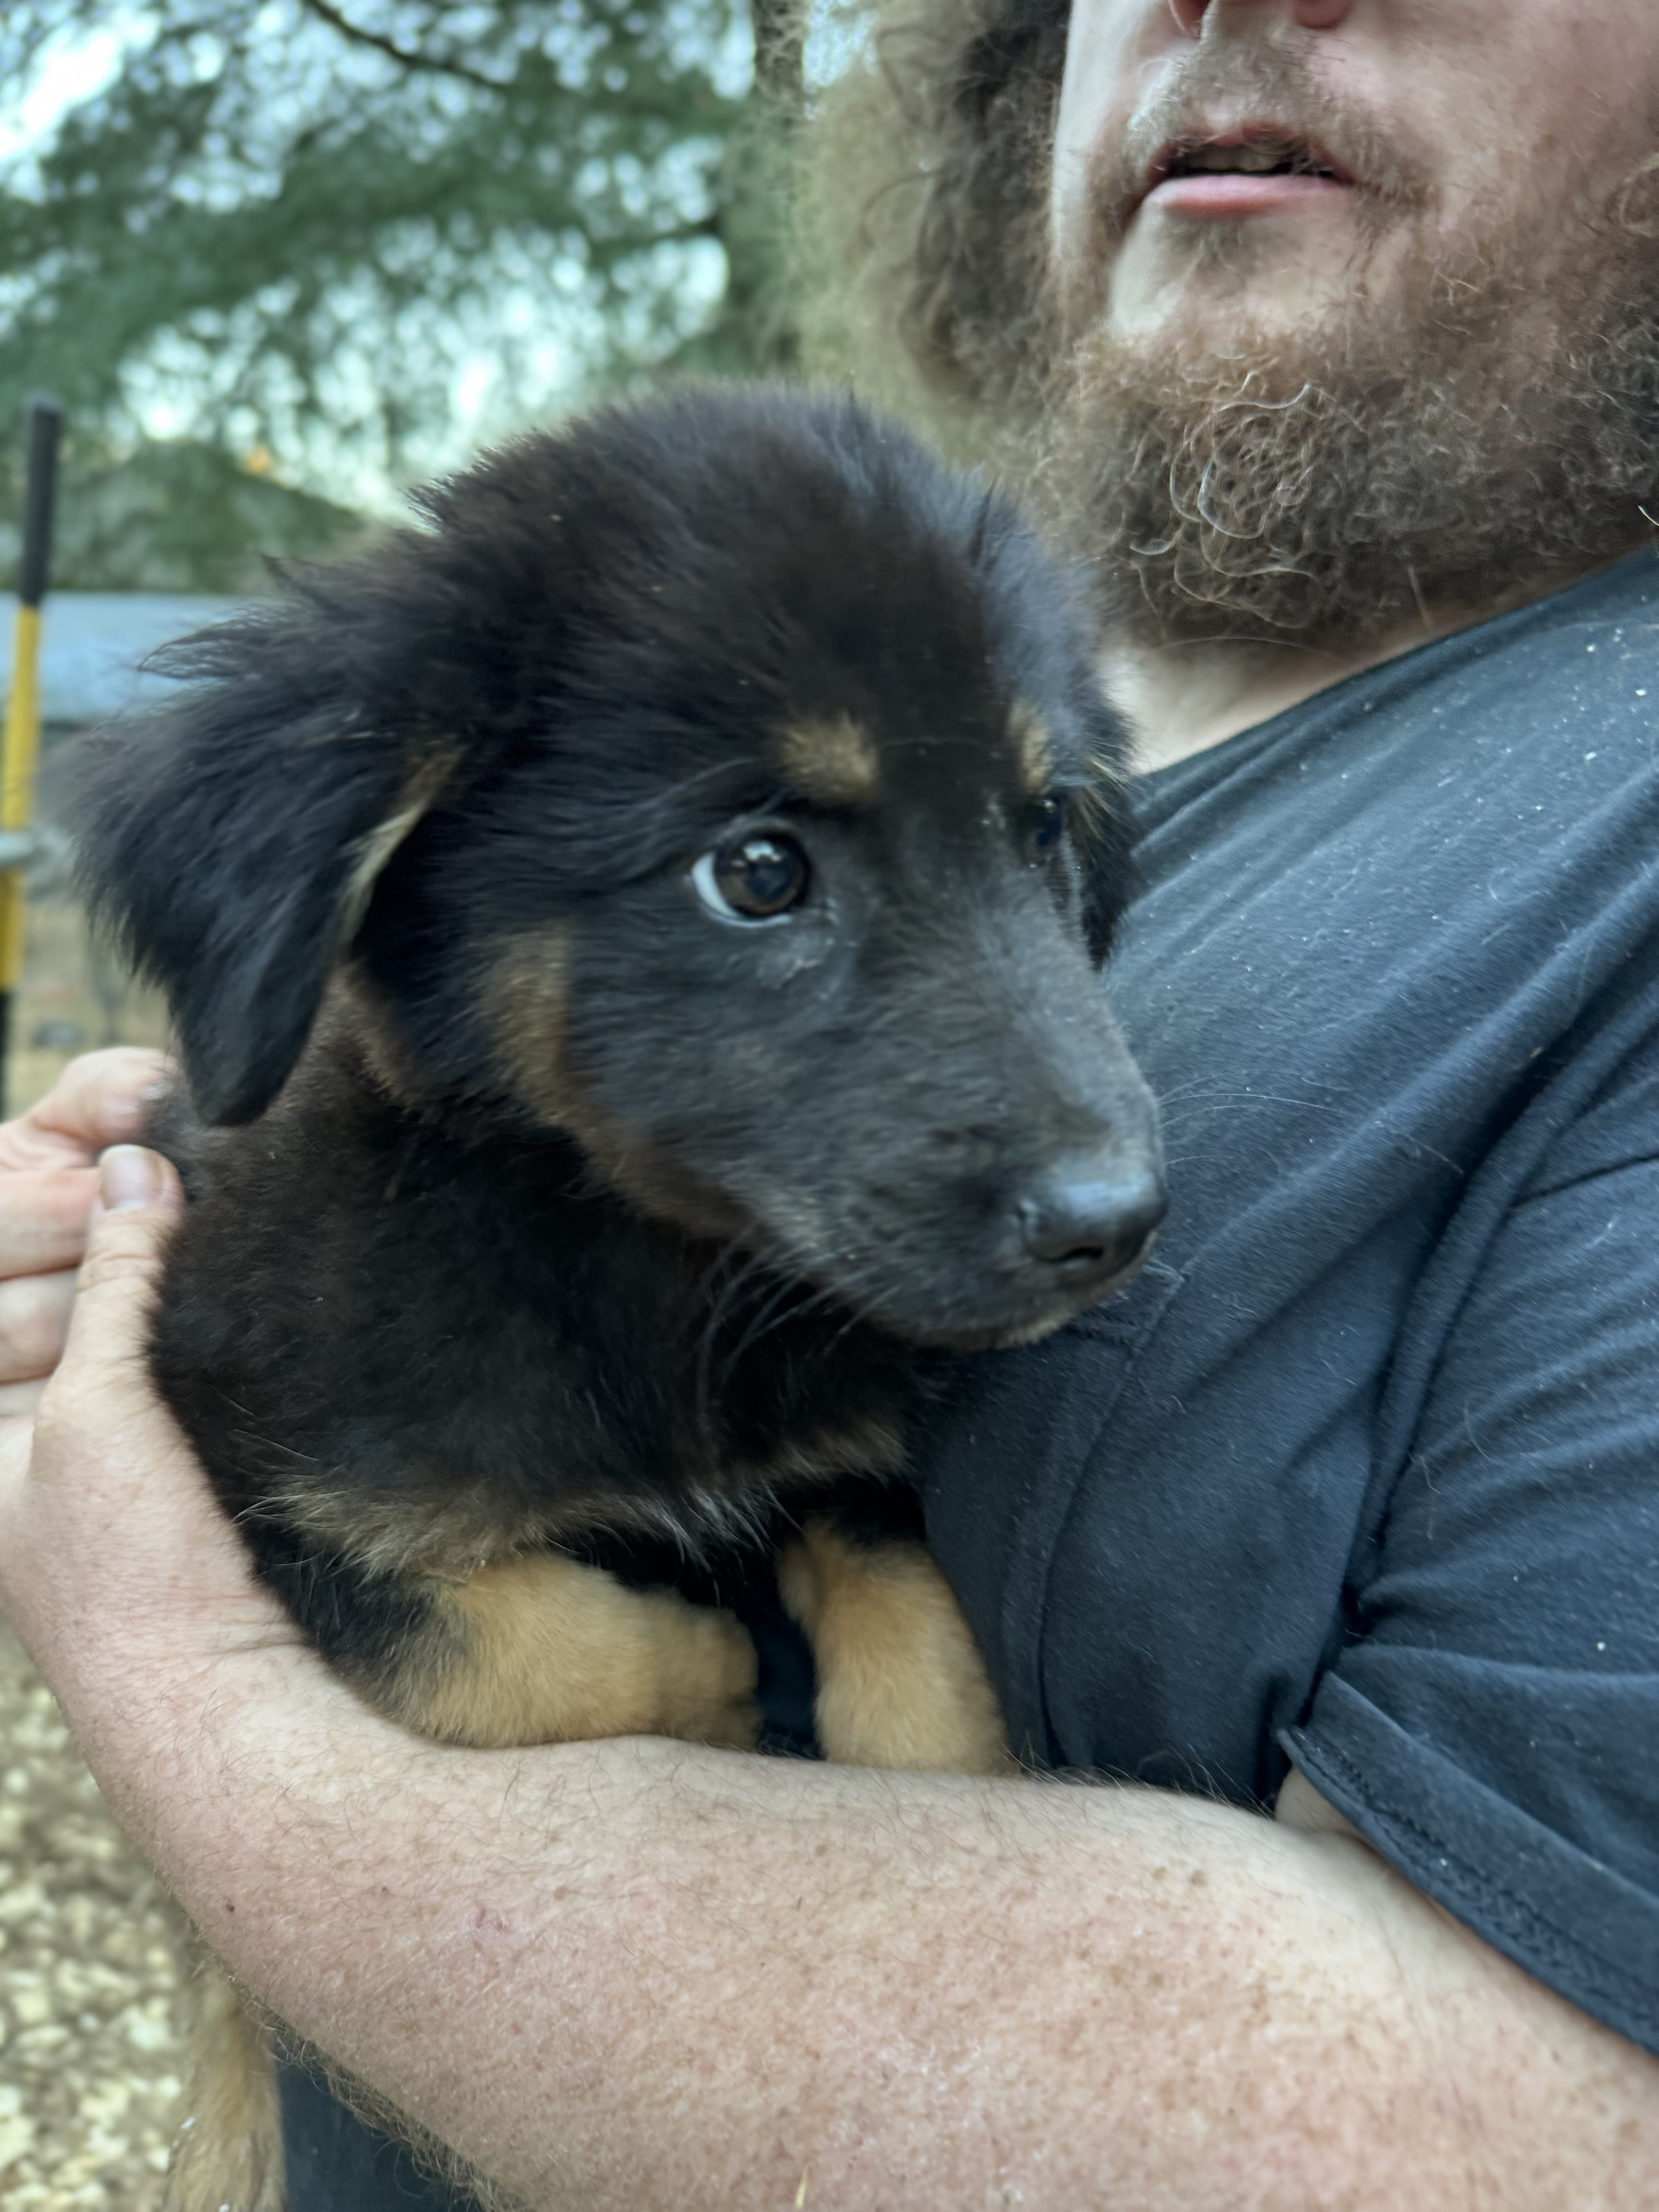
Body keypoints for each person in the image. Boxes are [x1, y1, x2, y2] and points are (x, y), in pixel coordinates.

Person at [3, 0, 1659, 2202]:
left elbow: (1481, 2138)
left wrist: (177, 1669)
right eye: (772, 871)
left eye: (1043, 853)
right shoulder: (984, 625)